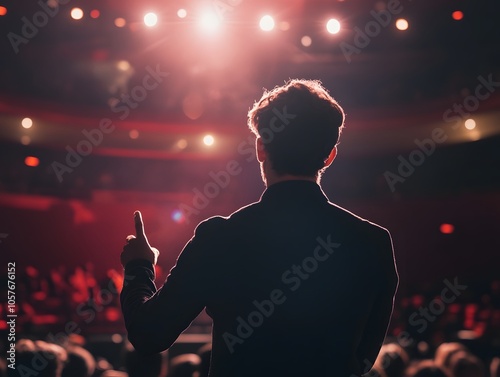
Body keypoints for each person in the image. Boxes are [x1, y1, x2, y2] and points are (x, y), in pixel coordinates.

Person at [120, 79, 399, 377]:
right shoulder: (372, 242)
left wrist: (140, 265)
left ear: (260, 148)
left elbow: (149, 335)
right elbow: (364, 359)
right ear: (330, 156)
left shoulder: (220, 237)